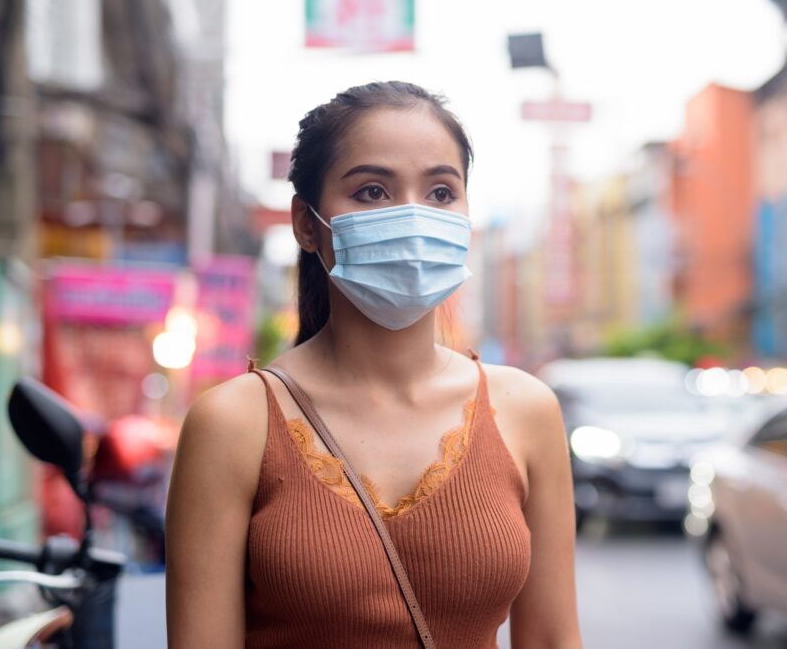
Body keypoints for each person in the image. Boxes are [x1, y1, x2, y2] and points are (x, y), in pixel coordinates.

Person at [165, 81, 581, 648]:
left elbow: (553, 638)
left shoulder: (525, 410)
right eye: (372, 192)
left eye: (440, 192)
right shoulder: (232, 423)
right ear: (306, 223)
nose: (412, 216)